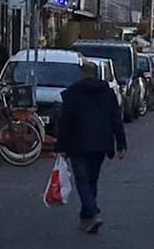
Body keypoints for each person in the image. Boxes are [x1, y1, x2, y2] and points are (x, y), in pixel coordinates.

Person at [53, 60, 128, 233]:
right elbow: (115, 117)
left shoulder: (73, 93)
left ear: (81, 73)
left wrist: (60, 145)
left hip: (78, 142)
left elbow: (66, 121)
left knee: (82, 179)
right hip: (101, 142)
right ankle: (87, 217)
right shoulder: (106, 92)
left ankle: (92, 212)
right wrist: (121, 142)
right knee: (92, 179)